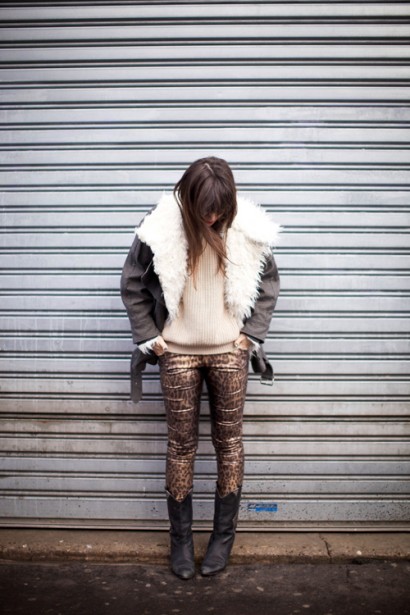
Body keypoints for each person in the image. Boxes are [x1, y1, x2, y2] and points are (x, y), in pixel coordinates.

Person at [121, 156, 280, 579]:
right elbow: (132, 282)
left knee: (229, 444)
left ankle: (222, 539)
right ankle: (181, 541)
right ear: (188, 198)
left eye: (219, 210)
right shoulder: (159, 227)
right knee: (181, 446)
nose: (211, 218)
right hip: (176, 353)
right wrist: (148, 336)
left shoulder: (246, 227)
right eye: (205, 210)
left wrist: (252, 334)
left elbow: (268, 284)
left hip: (230, 351)